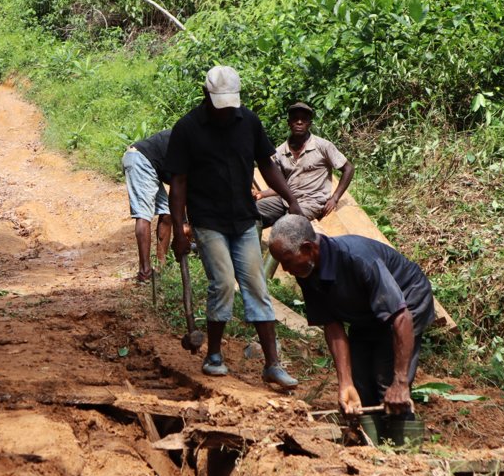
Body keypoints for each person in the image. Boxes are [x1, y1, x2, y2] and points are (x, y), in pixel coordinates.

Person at [166, 65, 303, 383]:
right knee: (224, 282)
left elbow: (266, 165)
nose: (226, 113)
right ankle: (214, 355)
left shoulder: (249, 122)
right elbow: (179, 182)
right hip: (208, 219)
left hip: (243, 218)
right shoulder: (187, 129)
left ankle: (272, 365)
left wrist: (291, 200)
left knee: (256, 285)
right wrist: (178, 230)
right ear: (206, 95)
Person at [267, 215, 435, 431]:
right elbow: (332, 324)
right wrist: (345, 383)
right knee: (359, 387)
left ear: (309, 248)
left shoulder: (358, 258)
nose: (285, 270)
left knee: (389, 387)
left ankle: (401, 450)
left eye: (287, 261)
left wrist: (401, 382)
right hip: (367, 312)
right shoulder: (306, 270)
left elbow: (401, 317)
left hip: (405, 302)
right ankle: (369, 446)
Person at [255, 102, 354, 226]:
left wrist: (335, 198)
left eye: (304, 119)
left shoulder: (323, 146)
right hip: (286, 199)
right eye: (295, 119)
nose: (299, 122)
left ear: (309, 124)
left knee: (288, 225)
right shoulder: (280, 152)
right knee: (251, 213)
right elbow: (281, 184)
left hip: (311, 201)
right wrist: (262, 194)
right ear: (289, 123)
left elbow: (348, 168)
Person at [122, 129, 173, 283]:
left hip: (151, 164)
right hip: (140, 160)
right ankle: (145, 272)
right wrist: (184, 223)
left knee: (167, 213)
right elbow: (181, 187)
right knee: (144, 214)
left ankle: (160, 267)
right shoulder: (193, 142)